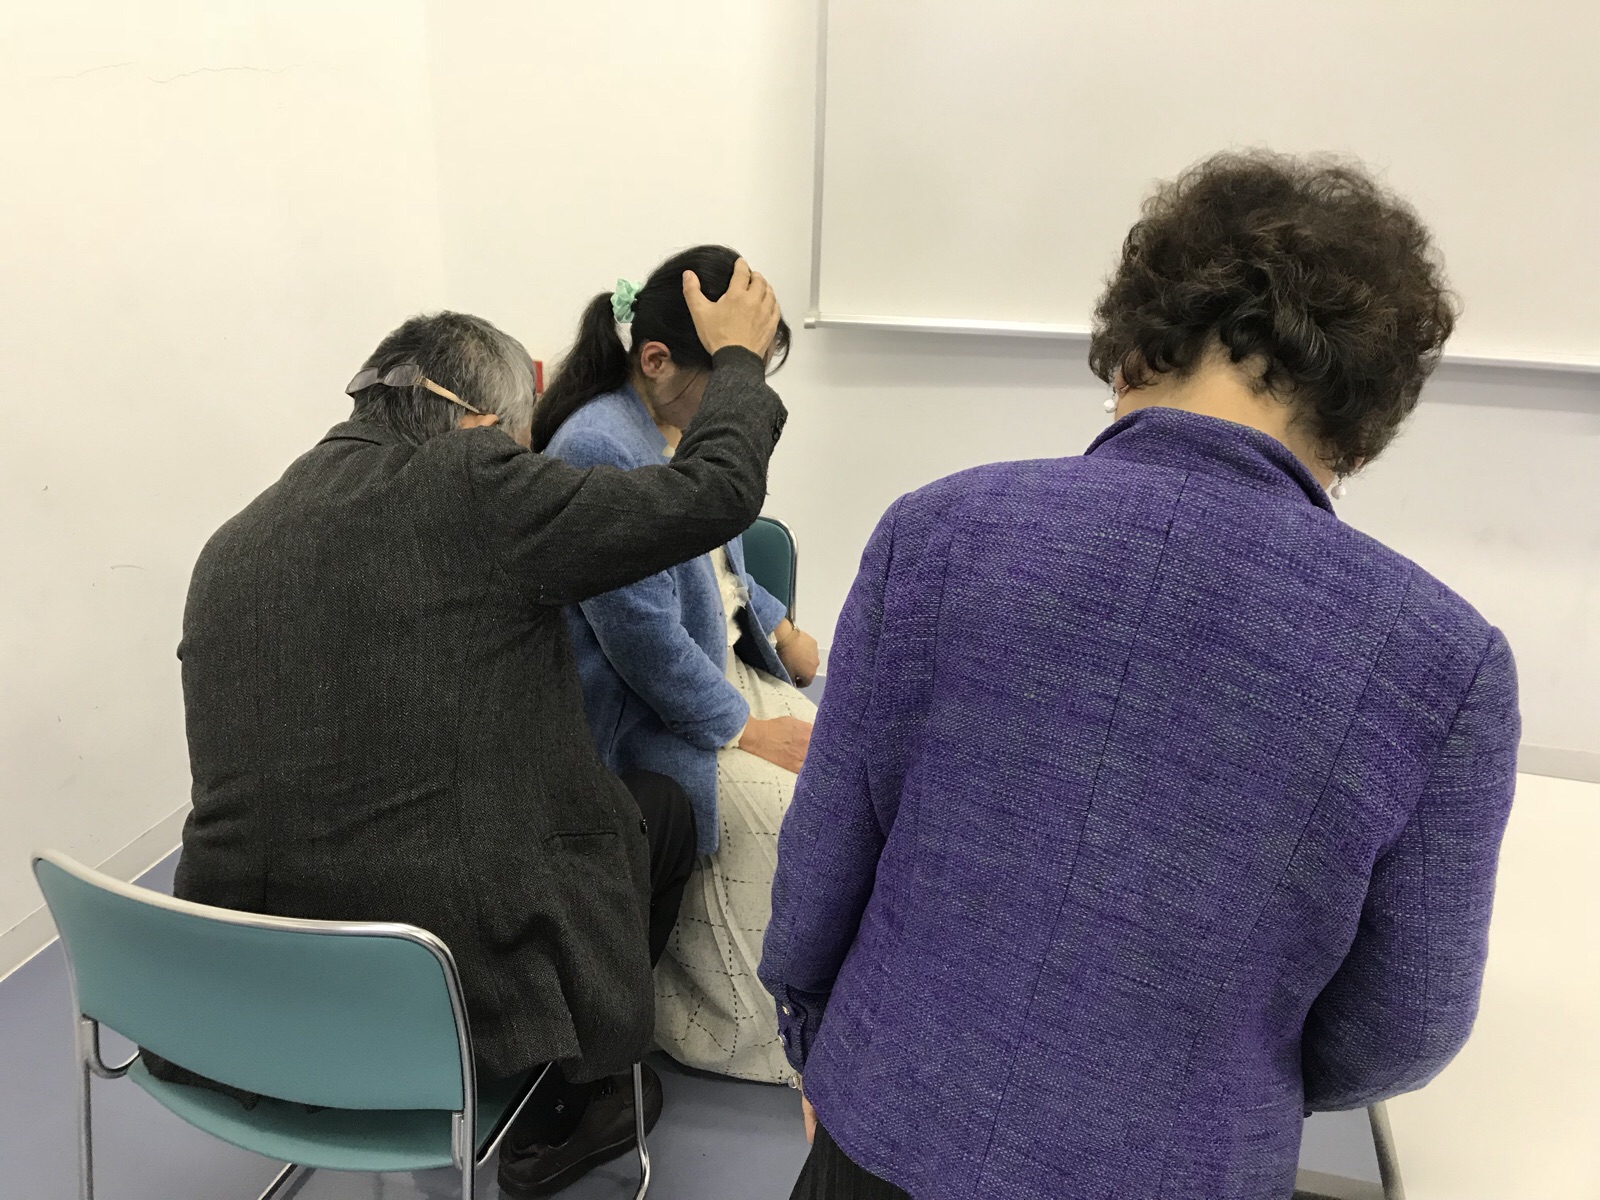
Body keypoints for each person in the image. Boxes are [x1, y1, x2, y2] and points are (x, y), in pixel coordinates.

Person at [760, 151, 1521, 1200]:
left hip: (887, 1125)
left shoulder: (936, 534)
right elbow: (1407, 1025)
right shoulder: (1443, 665)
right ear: (1356, 431)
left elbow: (820, 870)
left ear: (1130, 352)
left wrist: (823, 1045)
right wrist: (1229, 1078)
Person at [166, 262, 786, 1199]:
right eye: (520, 445)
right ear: (479, 424)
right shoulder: (473, 483)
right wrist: (739, 358)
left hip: (245, 999)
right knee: (653, 806)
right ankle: (583, 1090)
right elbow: (715, 493)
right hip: (452, 997)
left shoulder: (231, 542)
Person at [533, 246, 821, 1085]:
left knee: (855, 776)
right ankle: (740, 1028)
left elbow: (718, 558)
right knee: (799, 809)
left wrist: (781, 623)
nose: (737, 400)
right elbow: (641, 641)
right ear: (656, 361)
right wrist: (744, 731)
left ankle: (831, 991)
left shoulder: (665, 426)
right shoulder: (597, 446)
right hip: (651, 716)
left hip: (717, 676)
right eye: (728, 374)